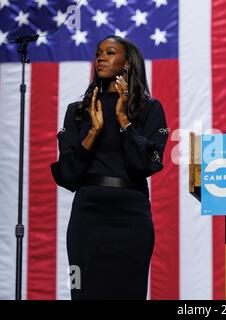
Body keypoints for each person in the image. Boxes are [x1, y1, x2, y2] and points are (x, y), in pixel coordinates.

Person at [50, 35, 168, 299]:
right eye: (98, 53)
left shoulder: (149, 109)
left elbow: (147, 163)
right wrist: (93, 131)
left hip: (132, 217)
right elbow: (68, 175)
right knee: (81, 291)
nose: (100, 57)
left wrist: (124, 120)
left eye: (110, 52)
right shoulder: (77, 111)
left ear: (127, 64)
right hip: (86, 218)